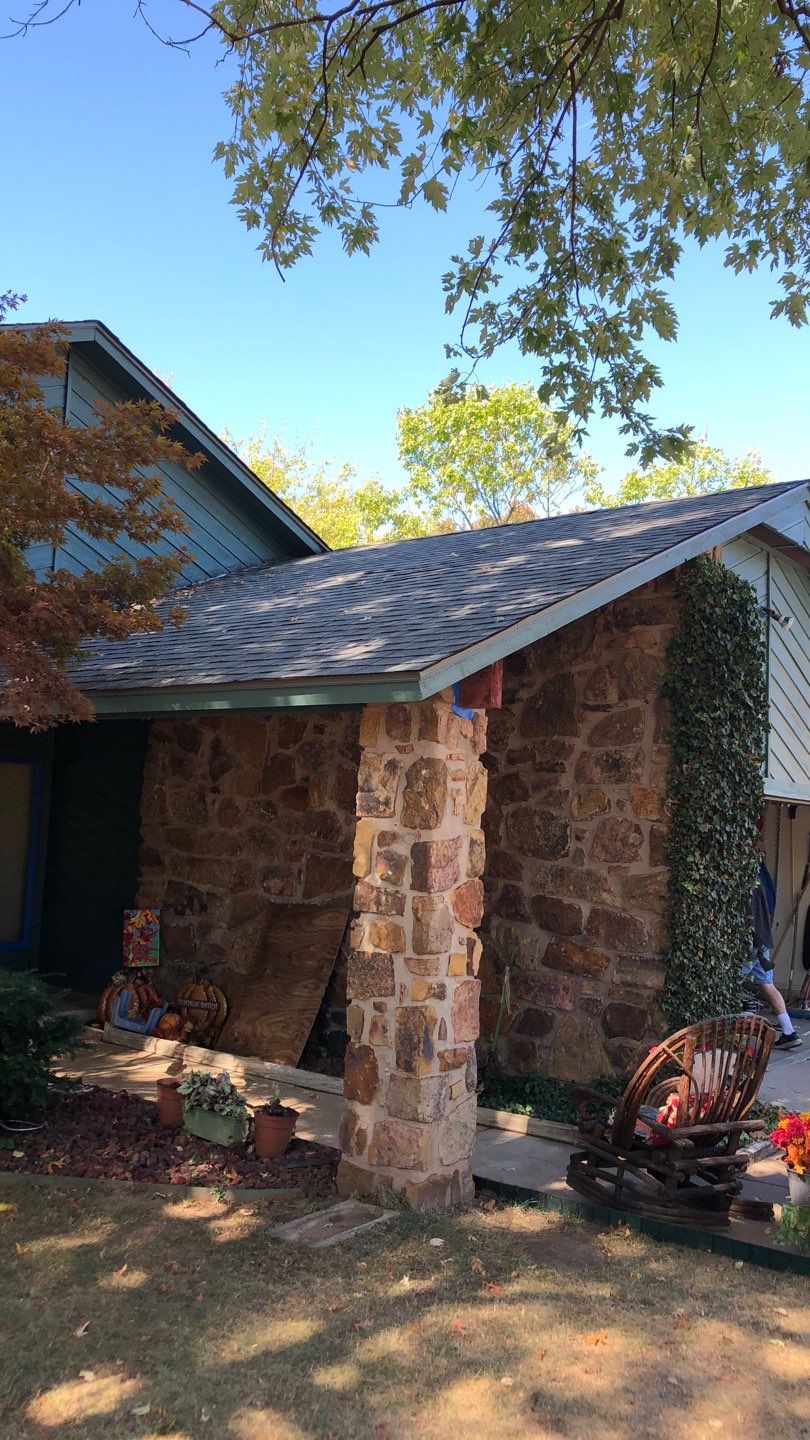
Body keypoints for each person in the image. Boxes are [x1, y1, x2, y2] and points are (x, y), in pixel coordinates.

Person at [745, 858, 802, 1050]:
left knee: (726, 986)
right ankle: (789, 1032)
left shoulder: (742, 882)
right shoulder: (760, 882)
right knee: (766, 984)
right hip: (761, 939)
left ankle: (727, 1035)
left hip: (749, 942)